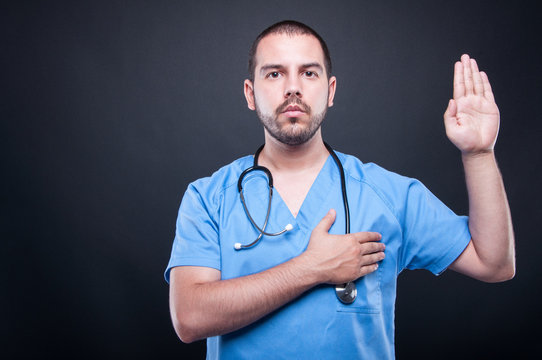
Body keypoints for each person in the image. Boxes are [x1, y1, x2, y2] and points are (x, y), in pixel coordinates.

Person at [165, 20, 515, 359]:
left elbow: (494, 263)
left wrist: (479, 154)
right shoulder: (209, 197)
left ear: (330, 91)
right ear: (250, 94)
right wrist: (311, 268)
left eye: (309, 72)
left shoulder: (389, 195)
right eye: (274, 73)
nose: (293, 87)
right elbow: (189, 318)